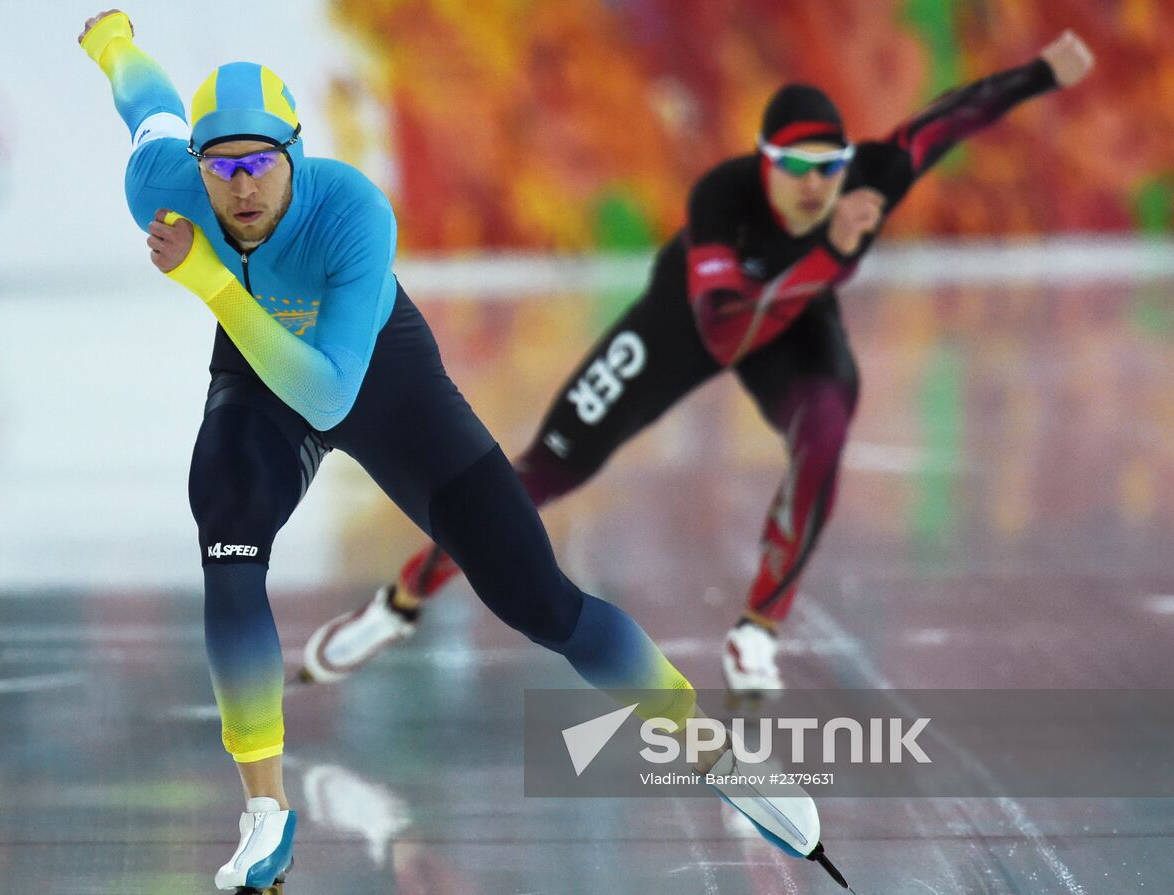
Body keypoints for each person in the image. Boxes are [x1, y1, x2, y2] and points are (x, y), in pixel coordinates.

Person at [78, 10, 830, 893]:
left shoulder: (351, 210)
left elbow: (329, 392)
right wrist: (113, 43)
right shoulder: (164, 185)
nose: (241, 188)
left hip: (377, 378)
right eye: (221, 167)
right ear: (198, 169)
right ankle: (265, 814)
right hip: (257, 374)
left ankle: (709, 747)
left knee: (539, 601)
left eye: (261, 164)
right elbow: (150, 109)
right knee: (228, 530)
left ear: (297, 154)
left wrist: (207, 277)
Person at [302, 31, 1095, 697]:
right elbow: (724, 329)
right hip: (687, 321)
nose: (816, 187)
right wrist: (830, 251)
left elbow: (946, 122)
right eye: (796, 169)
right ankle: (401, 599)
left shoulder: (869, 181)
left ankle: (758, 628)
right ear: (765, 166)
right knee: (542, 471)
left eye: (830, 169)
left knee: (825, 423)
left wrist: (1043, 73)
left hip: (794, 325)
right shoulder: (724, 196)